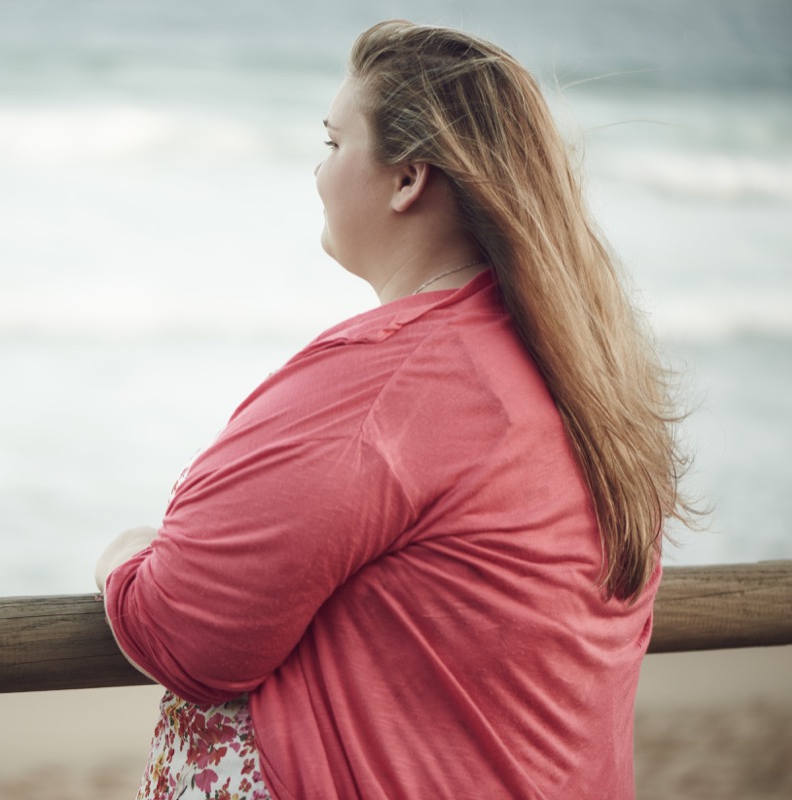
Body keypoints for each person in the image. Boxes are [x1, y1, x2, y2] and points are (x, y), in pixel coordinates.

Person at [95, 20, 693, 800]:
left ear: (408, 177)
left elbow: (187, 631)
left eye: (333, 143)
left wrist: (121, 558)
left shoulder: (390, 381)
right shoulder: (585, 372)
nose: (317, 174)